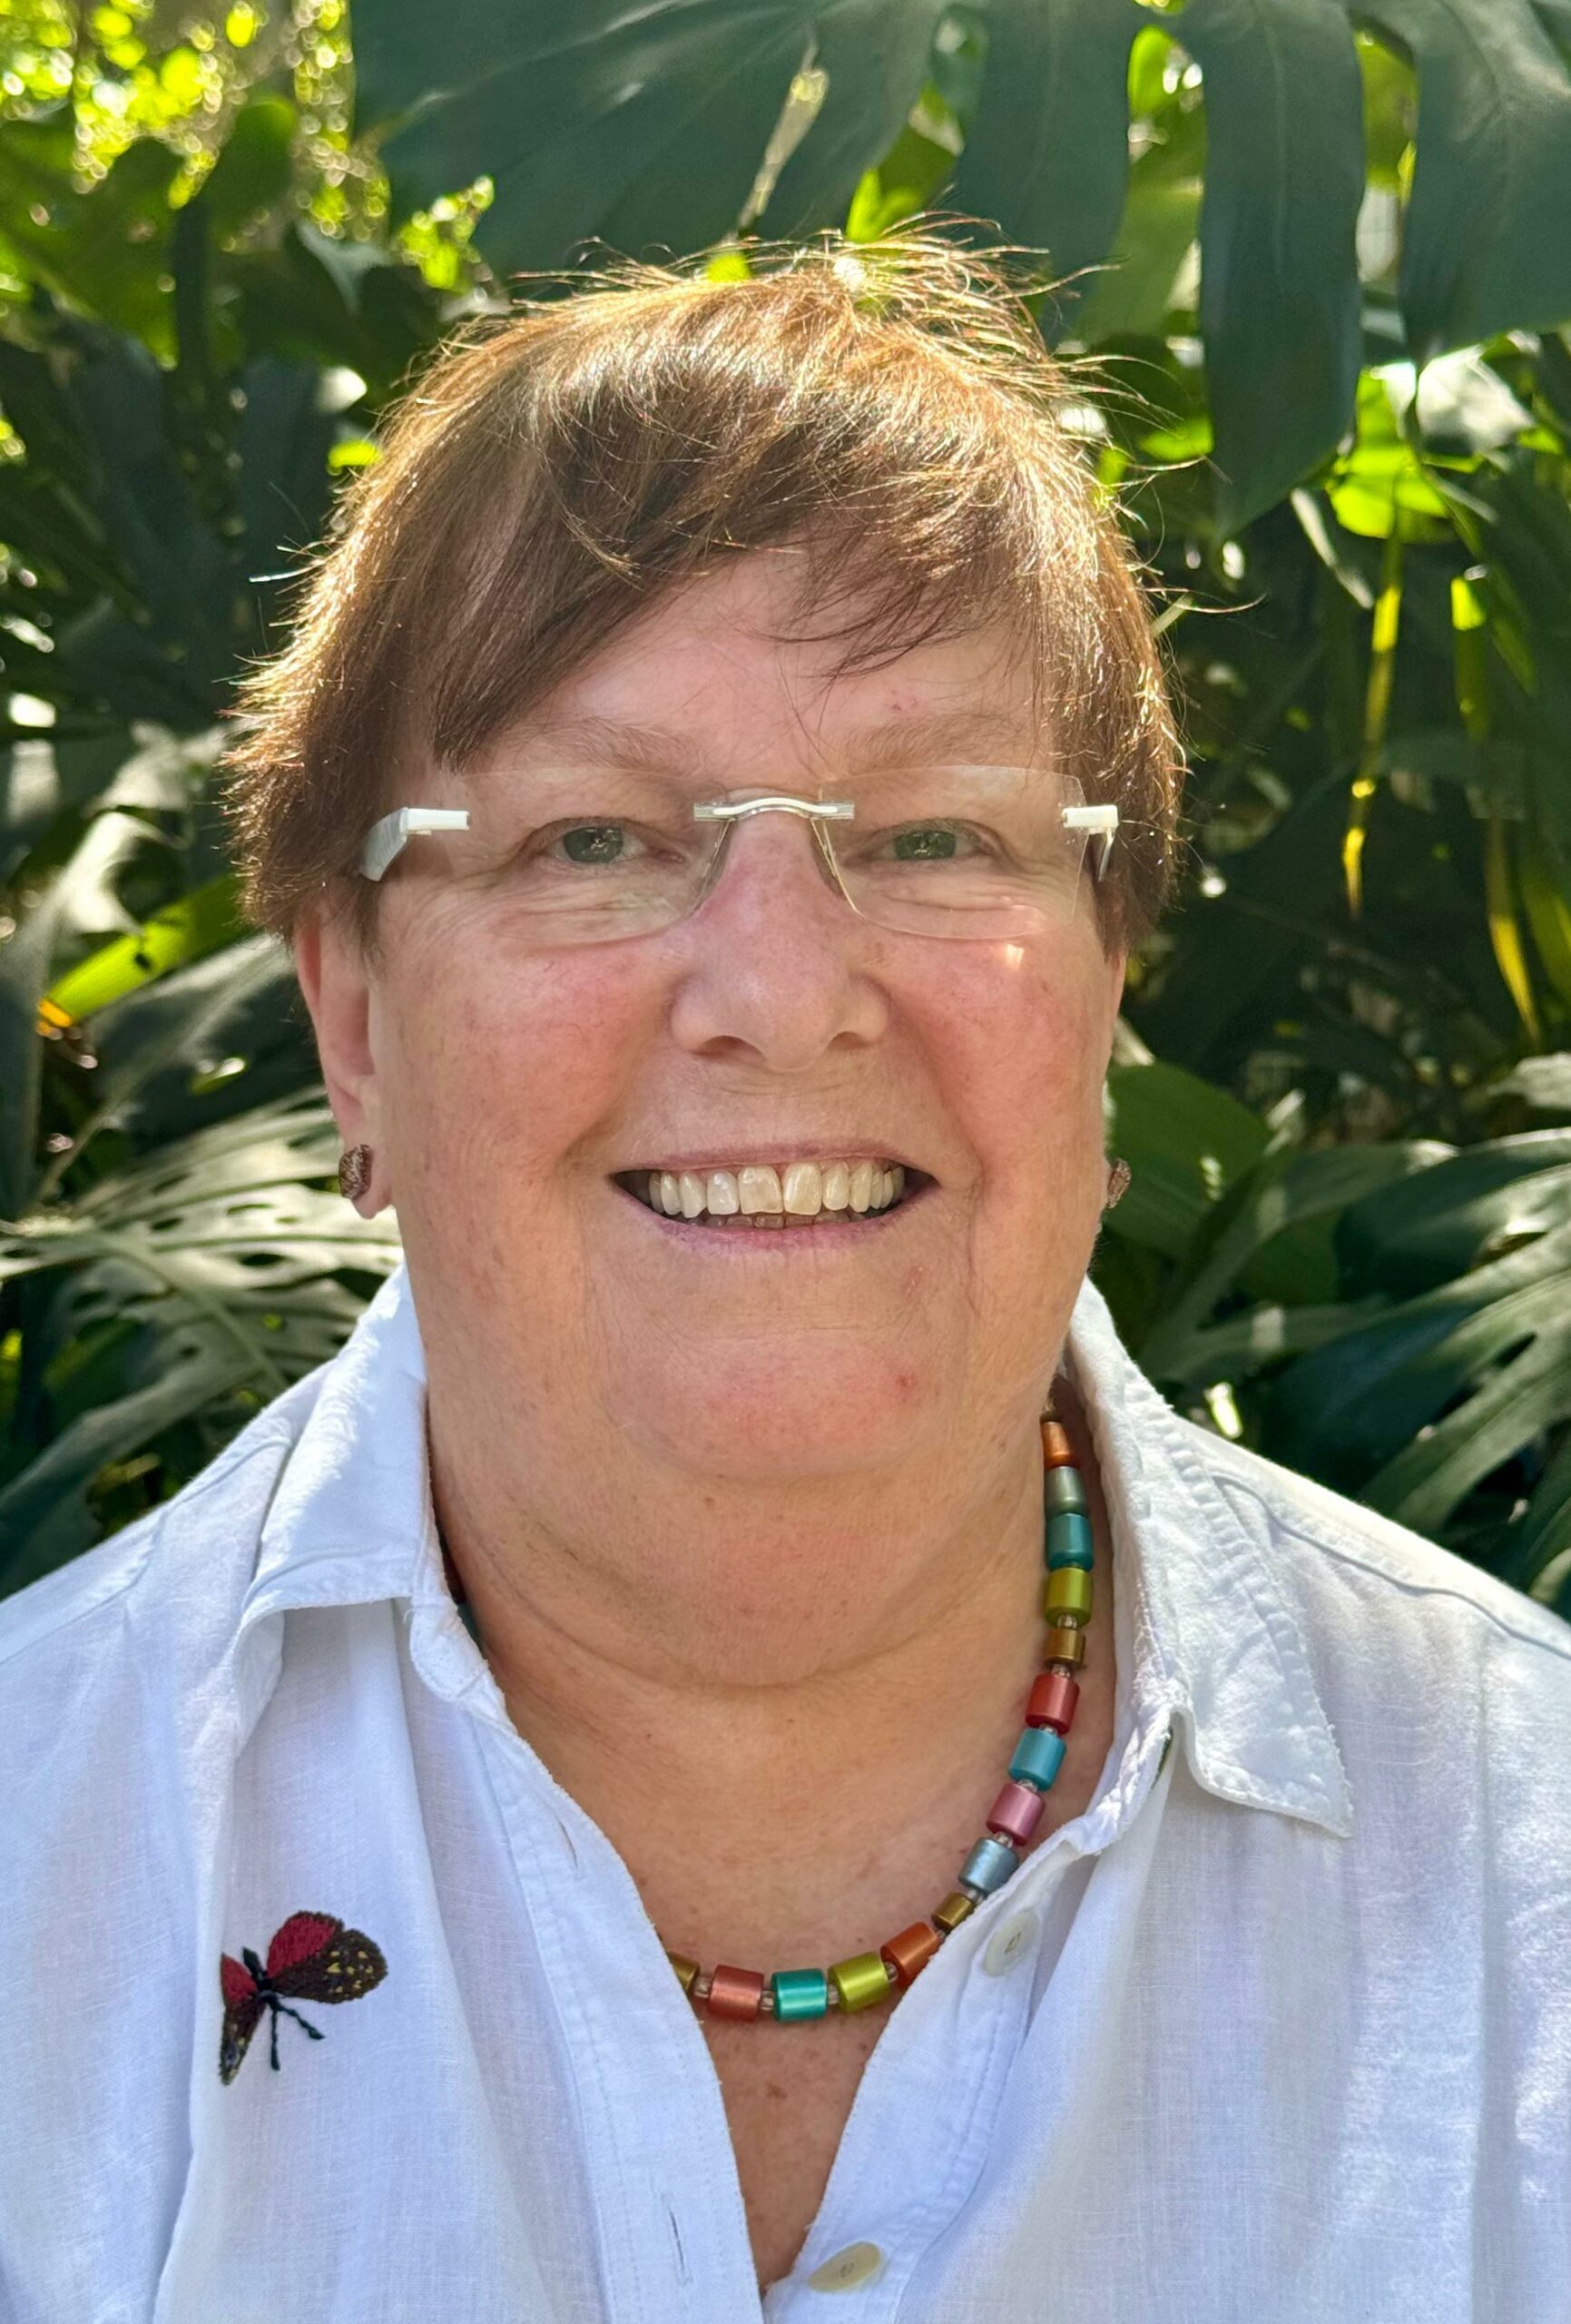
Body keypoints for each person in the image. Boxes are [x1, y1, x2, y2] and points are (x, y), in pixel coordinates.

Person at [2, 235, 1569, 2324]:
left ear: (1102, 999)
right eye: (590, 838)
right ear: (354, 1025)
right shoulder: (37, 1849)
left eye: (932, 836)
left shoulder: (1527, 1854)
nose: (780, 985)